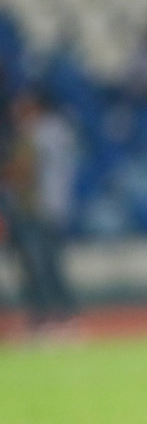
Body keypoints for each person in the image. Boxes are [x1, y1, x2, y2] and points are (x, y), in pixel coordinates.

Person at [0, 91, 80, 333]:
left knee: (39, 263)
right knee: (44, 263)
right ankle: (57, 314)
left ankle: (49, 315)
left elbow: (25, 170)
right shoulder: (57, 130)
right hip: (46, 206)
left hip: (37, 207)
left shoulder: (40, 132)